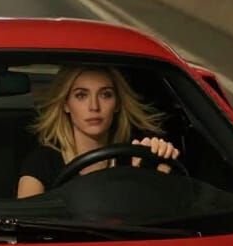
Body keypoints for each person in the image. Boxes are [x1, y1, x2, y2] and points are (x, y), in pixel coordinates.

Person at [17, 65, 180, 198]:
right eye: (81, 95)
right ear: (66, 104)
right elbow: (26, 228)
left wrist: (155, 167)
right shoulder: (42, 163)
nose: (94, 106)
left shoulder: (133, 159)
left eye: (105, 95)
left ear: (117, 104)